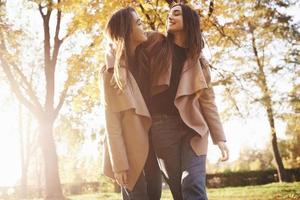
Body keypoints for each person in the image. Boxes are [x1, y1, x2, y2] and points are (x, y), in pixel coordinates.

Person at [140, 3, 230, 200]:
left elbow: (208, 101)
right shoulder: (155, 42)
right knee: (179, 190)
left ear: (188, 21)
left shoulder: (199, 61)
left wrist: (220, 138)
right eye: (169, 14)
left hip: (195, 128)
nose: (170, 17)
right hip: (162, 127)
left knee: (192, 183)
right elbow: (127, 38)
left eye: (176, 14)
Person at [100, 7, 162, 200]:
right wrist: (119, 165)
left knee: (154, 194)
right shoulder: (110, 72)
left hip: (152, 147)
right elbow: (112, 122)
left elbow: (161, 38)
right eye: (139, 23)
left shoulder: (147, 59)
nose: (143, 26)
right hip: (129, 152)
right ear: (127, 30)